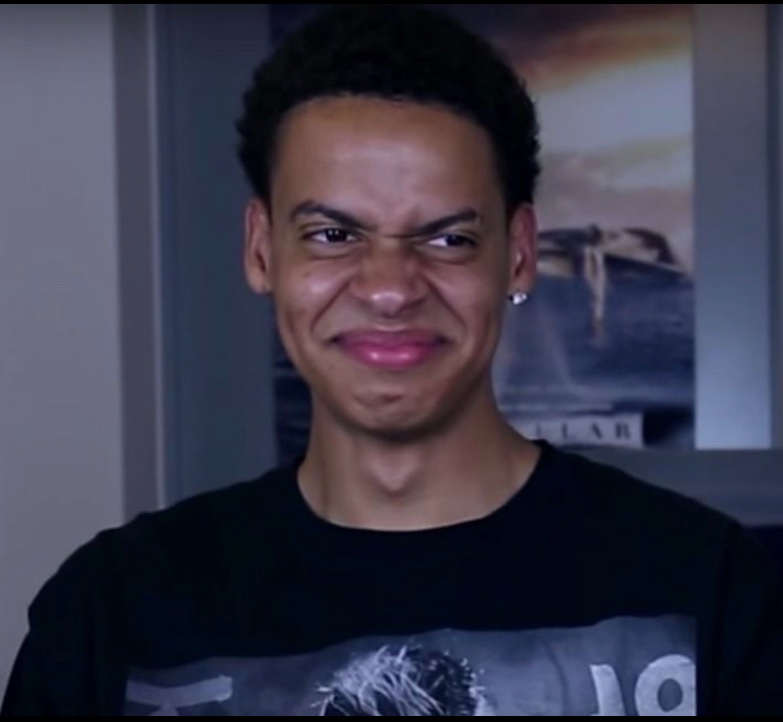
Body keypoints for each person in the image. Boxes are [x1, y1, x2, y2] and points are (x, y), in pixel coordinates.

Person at [3, 4, 782, 716]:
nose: (388, 289)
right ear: (260, 250)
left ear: (517, 254)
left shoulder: (710, 587)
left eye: (447, 238)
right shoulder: (114, 610)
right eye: (333, 235)